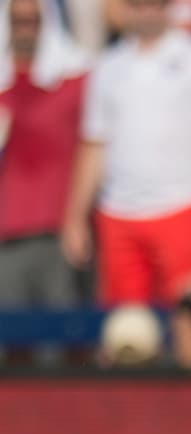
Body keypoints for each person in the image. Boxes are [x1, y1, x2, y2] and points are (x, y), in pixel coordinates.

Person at [60, 0, 191, 370]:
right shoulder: (108, 66)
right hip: (118, 214)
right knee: (124, 336)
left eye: (155, 4)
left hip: (184, 206)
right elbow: (94, 144)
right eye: (138, 4)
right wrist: (75, 217)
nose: (147, 12)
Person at [0, 0, 90, 364]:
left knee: (58, 342)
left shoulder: (74, 79)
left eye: (32, 21)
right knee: (10, 346)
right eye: (18, 22)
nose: (26, 30)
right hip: (6, 236)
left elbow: (91, 149)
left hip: (55, 232)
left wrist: (77, 219)